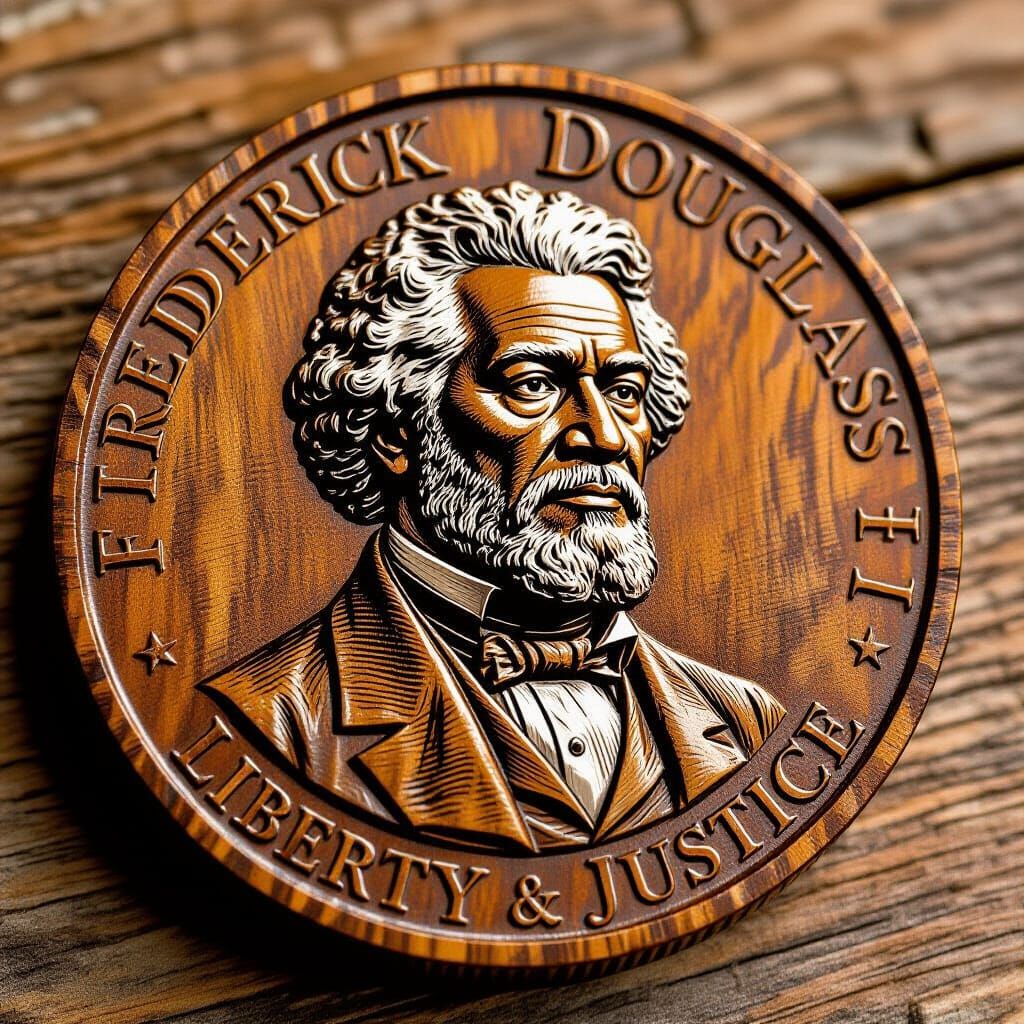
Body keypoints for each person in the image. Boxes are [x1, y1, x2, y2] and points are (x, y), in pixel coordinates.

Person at [201, 181, 784, 852]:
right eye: (533, 386)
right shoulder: (267, 720)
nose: (601, 433)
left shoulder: (743, 718)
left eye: (624, 392)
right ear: (396, 429)